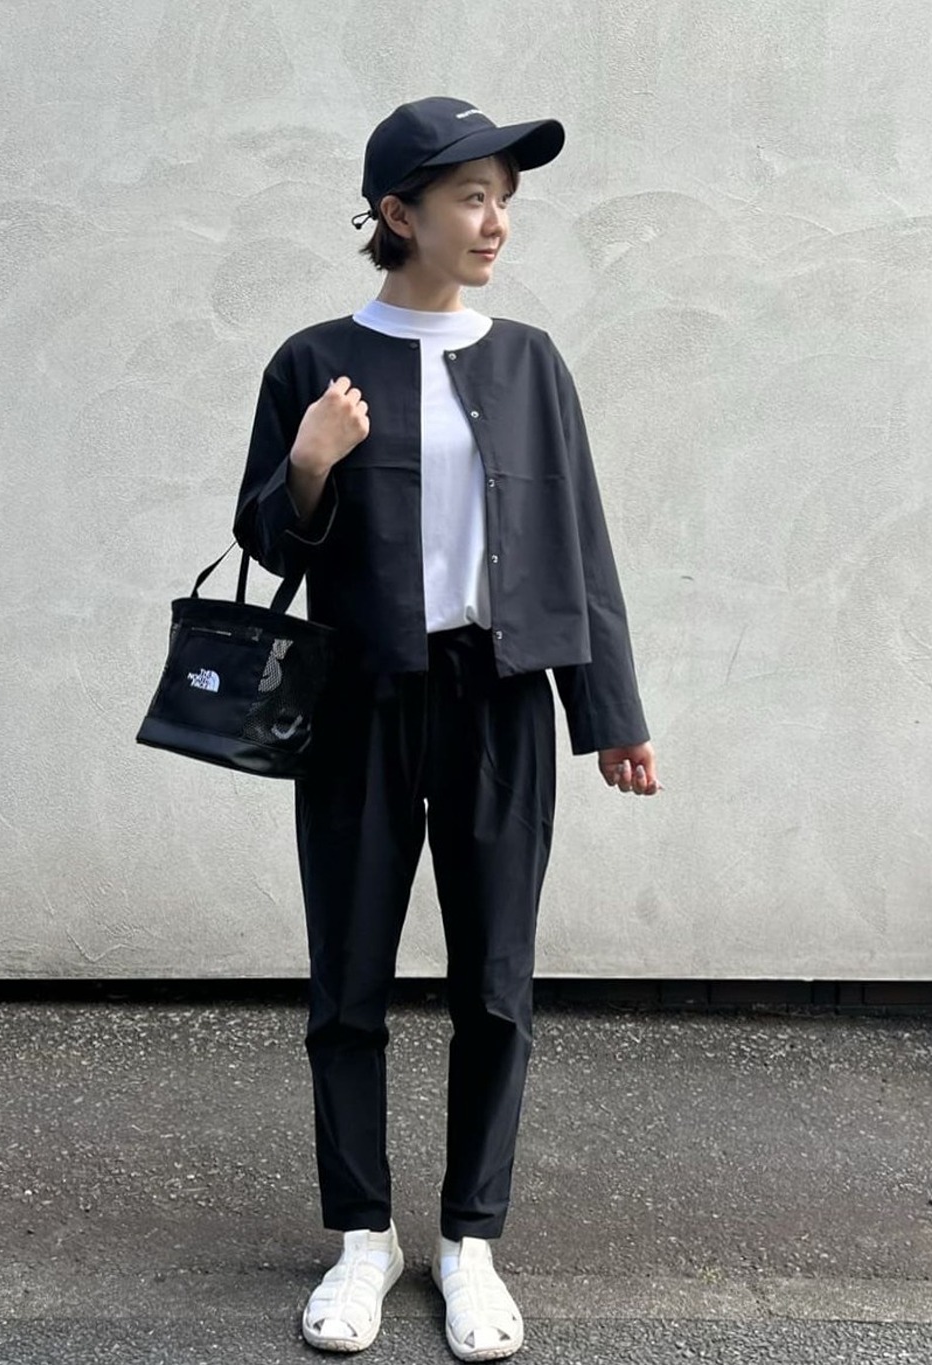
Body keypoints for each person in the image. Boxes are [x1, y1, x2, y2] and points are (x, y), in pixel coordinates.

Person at [232, 95, 661, 1361]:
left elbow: (579, 544)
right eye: (471, 196)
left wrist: (610, 713)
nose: (496, 222)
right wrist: (311, 461)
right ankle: (362, 1236)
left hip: (499, 699)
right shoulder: (313, 361)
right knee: (347, 986)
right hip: (359, 701)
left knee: (496, 986)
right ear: (397, 212)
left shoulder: (529, 362)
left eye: (503, 199)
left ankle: (470, 1241)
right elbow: (266, 545)